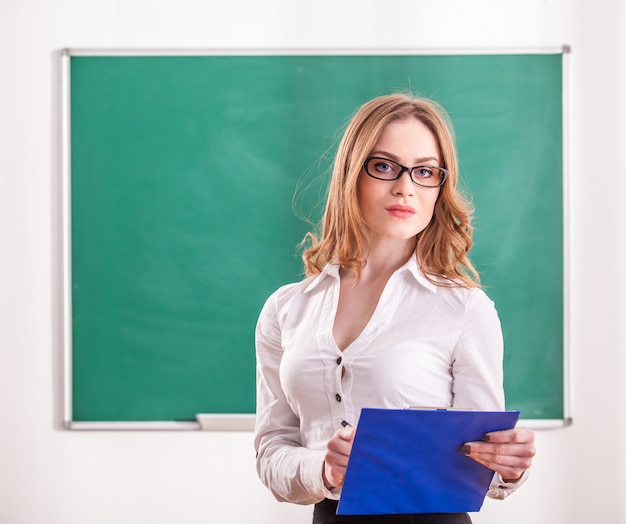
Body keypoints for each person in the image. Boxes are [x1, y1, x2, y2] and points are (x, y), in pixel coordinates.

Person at [253, 93, 536, 524]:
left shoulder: (464, 308)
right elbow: (272, 451)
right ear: (353, 173)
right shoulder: (287, 308)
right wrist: (324, 471)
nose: (405, 187)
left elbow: (489, 465)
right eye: (384, 166)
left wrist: (508, 467)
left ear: (440, 187)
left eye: (425, 172)